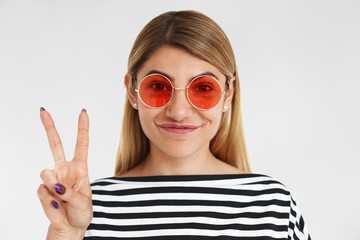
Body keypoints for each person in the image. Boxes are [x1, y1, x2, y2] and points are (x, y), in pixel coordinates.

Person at [37, 10, 311, 240]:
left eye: (204, 87)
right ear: (132, 92)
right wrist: (67, 235)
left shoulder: (272, 205)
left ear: (229, 94)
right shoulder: (85, 208)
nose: (179, 112)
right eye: (158, 86)